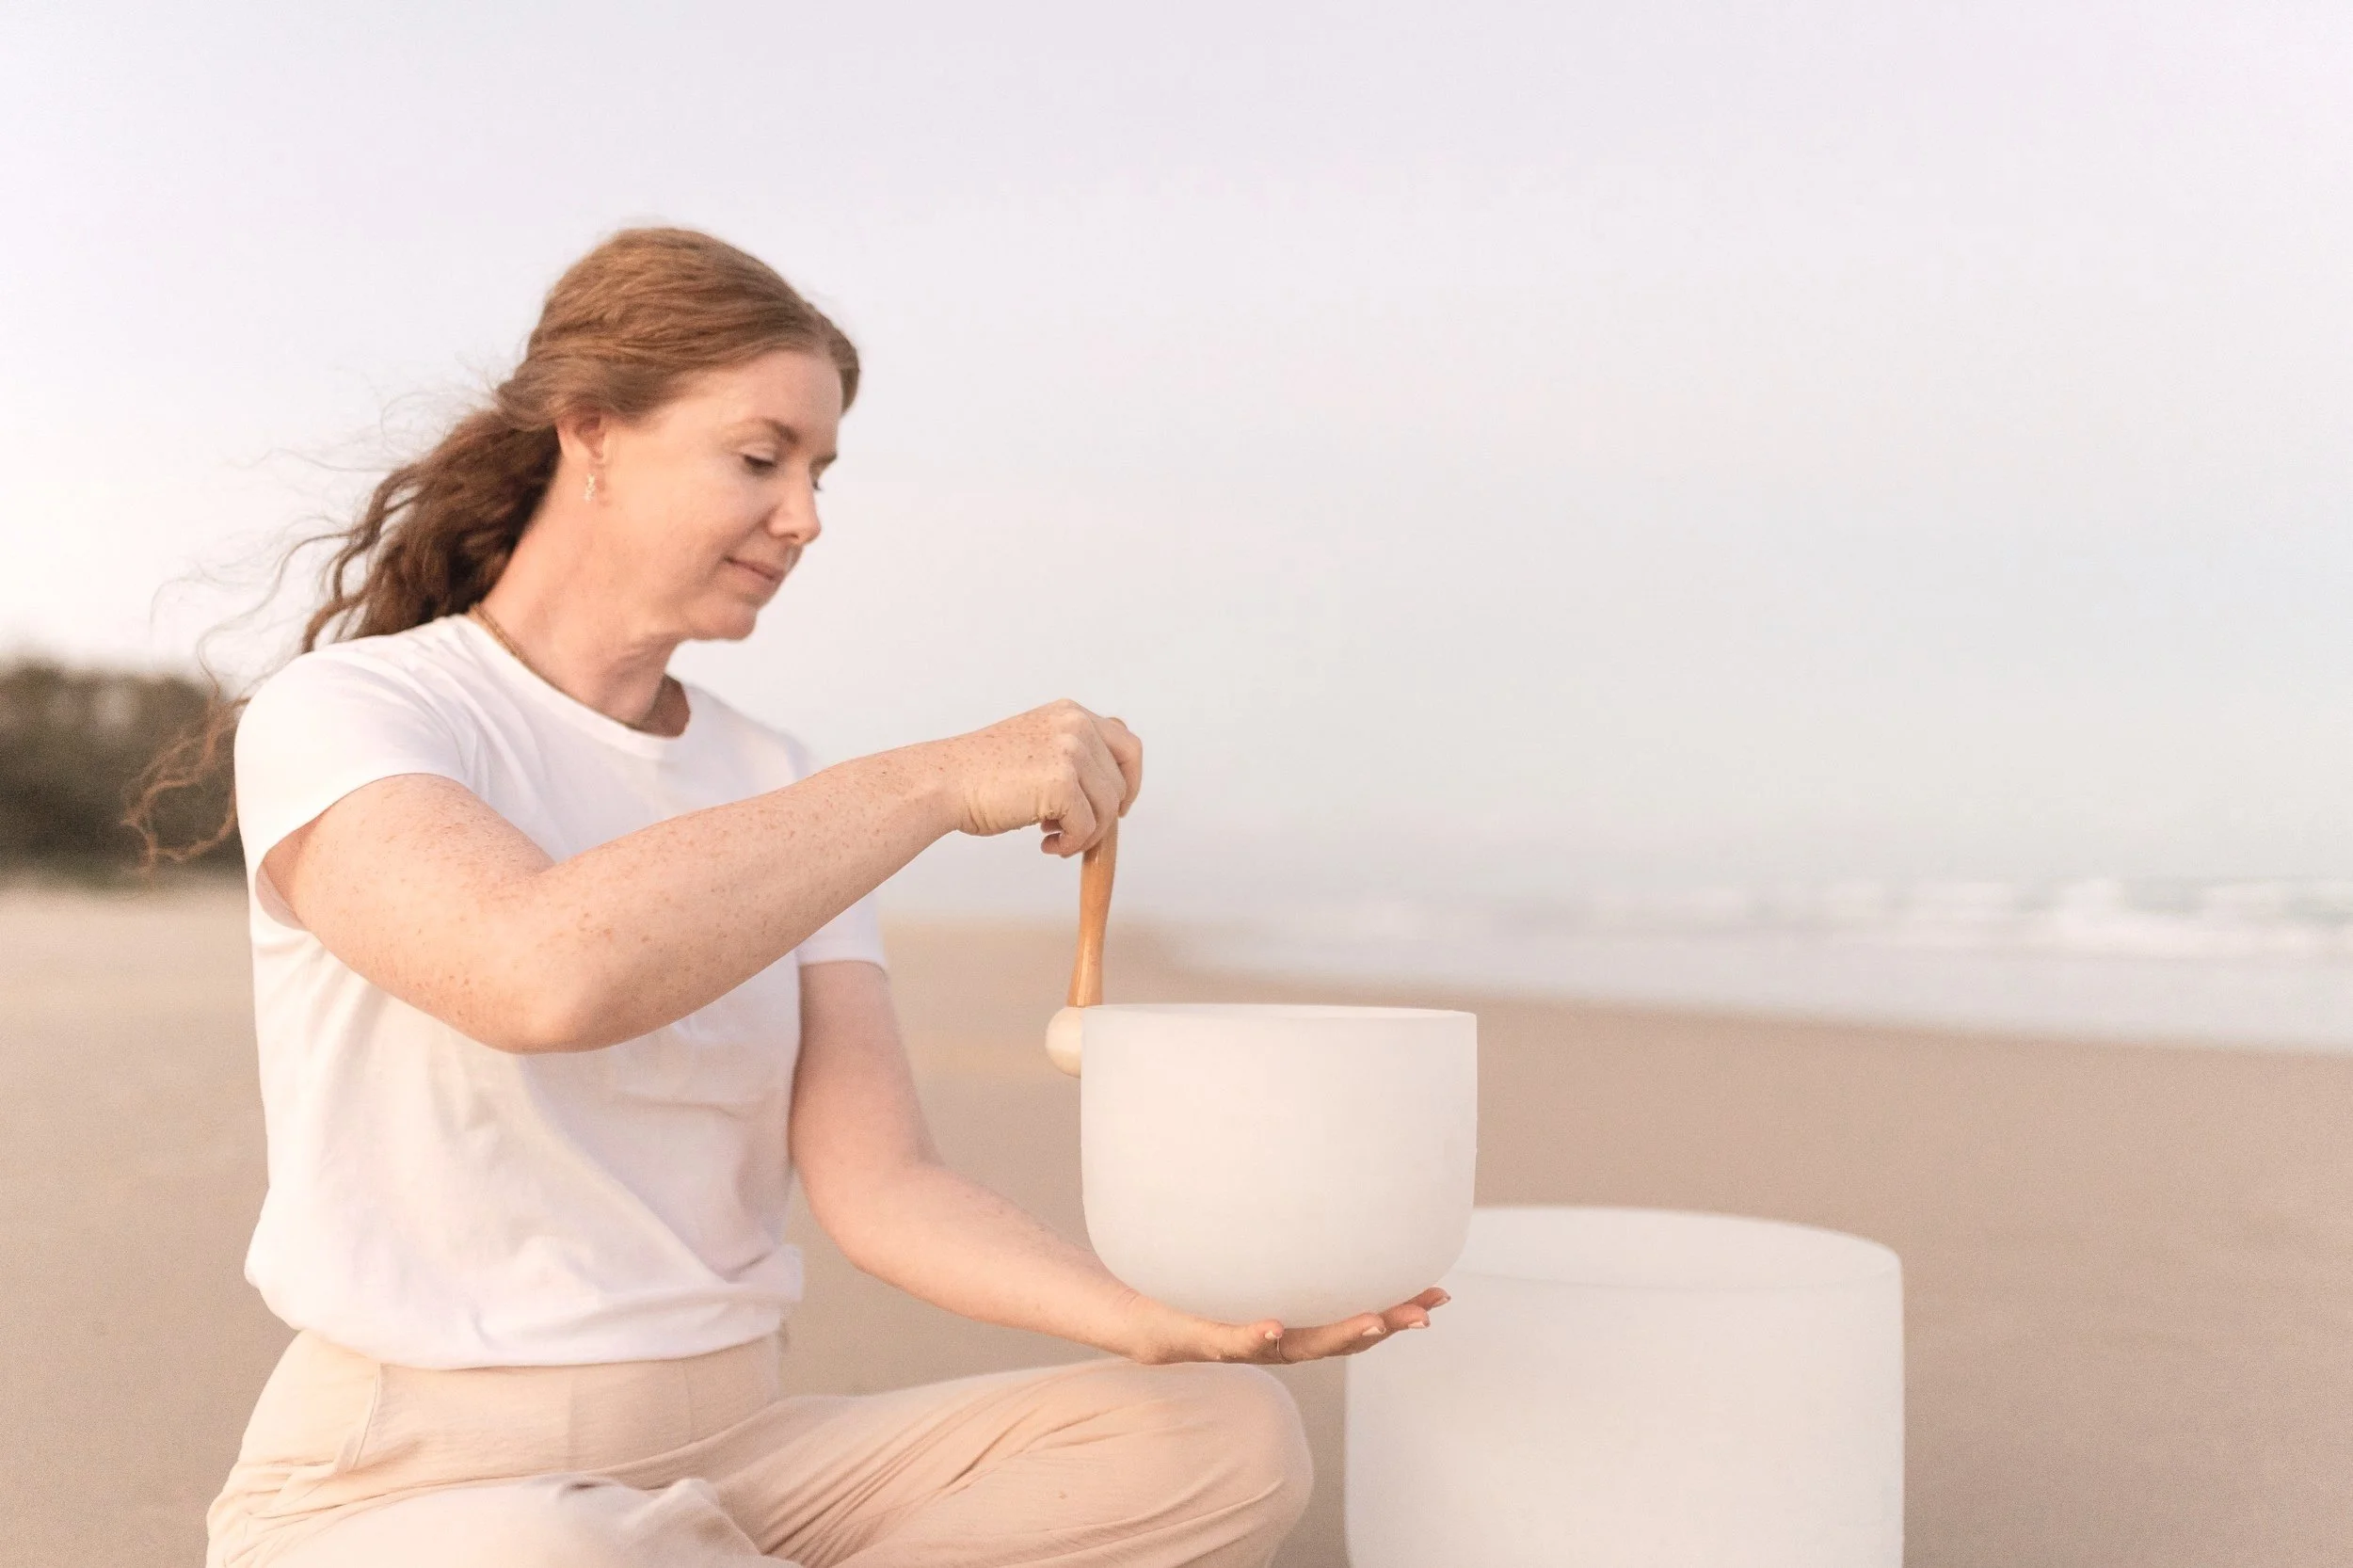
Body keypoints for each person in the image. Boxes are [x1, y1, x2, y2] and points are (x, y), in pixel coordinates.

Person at [185, 227, 1446, 1568]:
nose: (806, 516)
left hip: (742, 1455)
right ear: (592, 434)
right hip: (408, 1482)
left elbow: (883, 1184)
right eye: (760, 457)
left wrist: (1160, 1319)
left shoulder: (766, 772)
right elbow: (537, 973)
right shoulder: (358, 712)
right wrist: (933, 781)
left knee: (1225, 1437)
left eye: (820, 469)